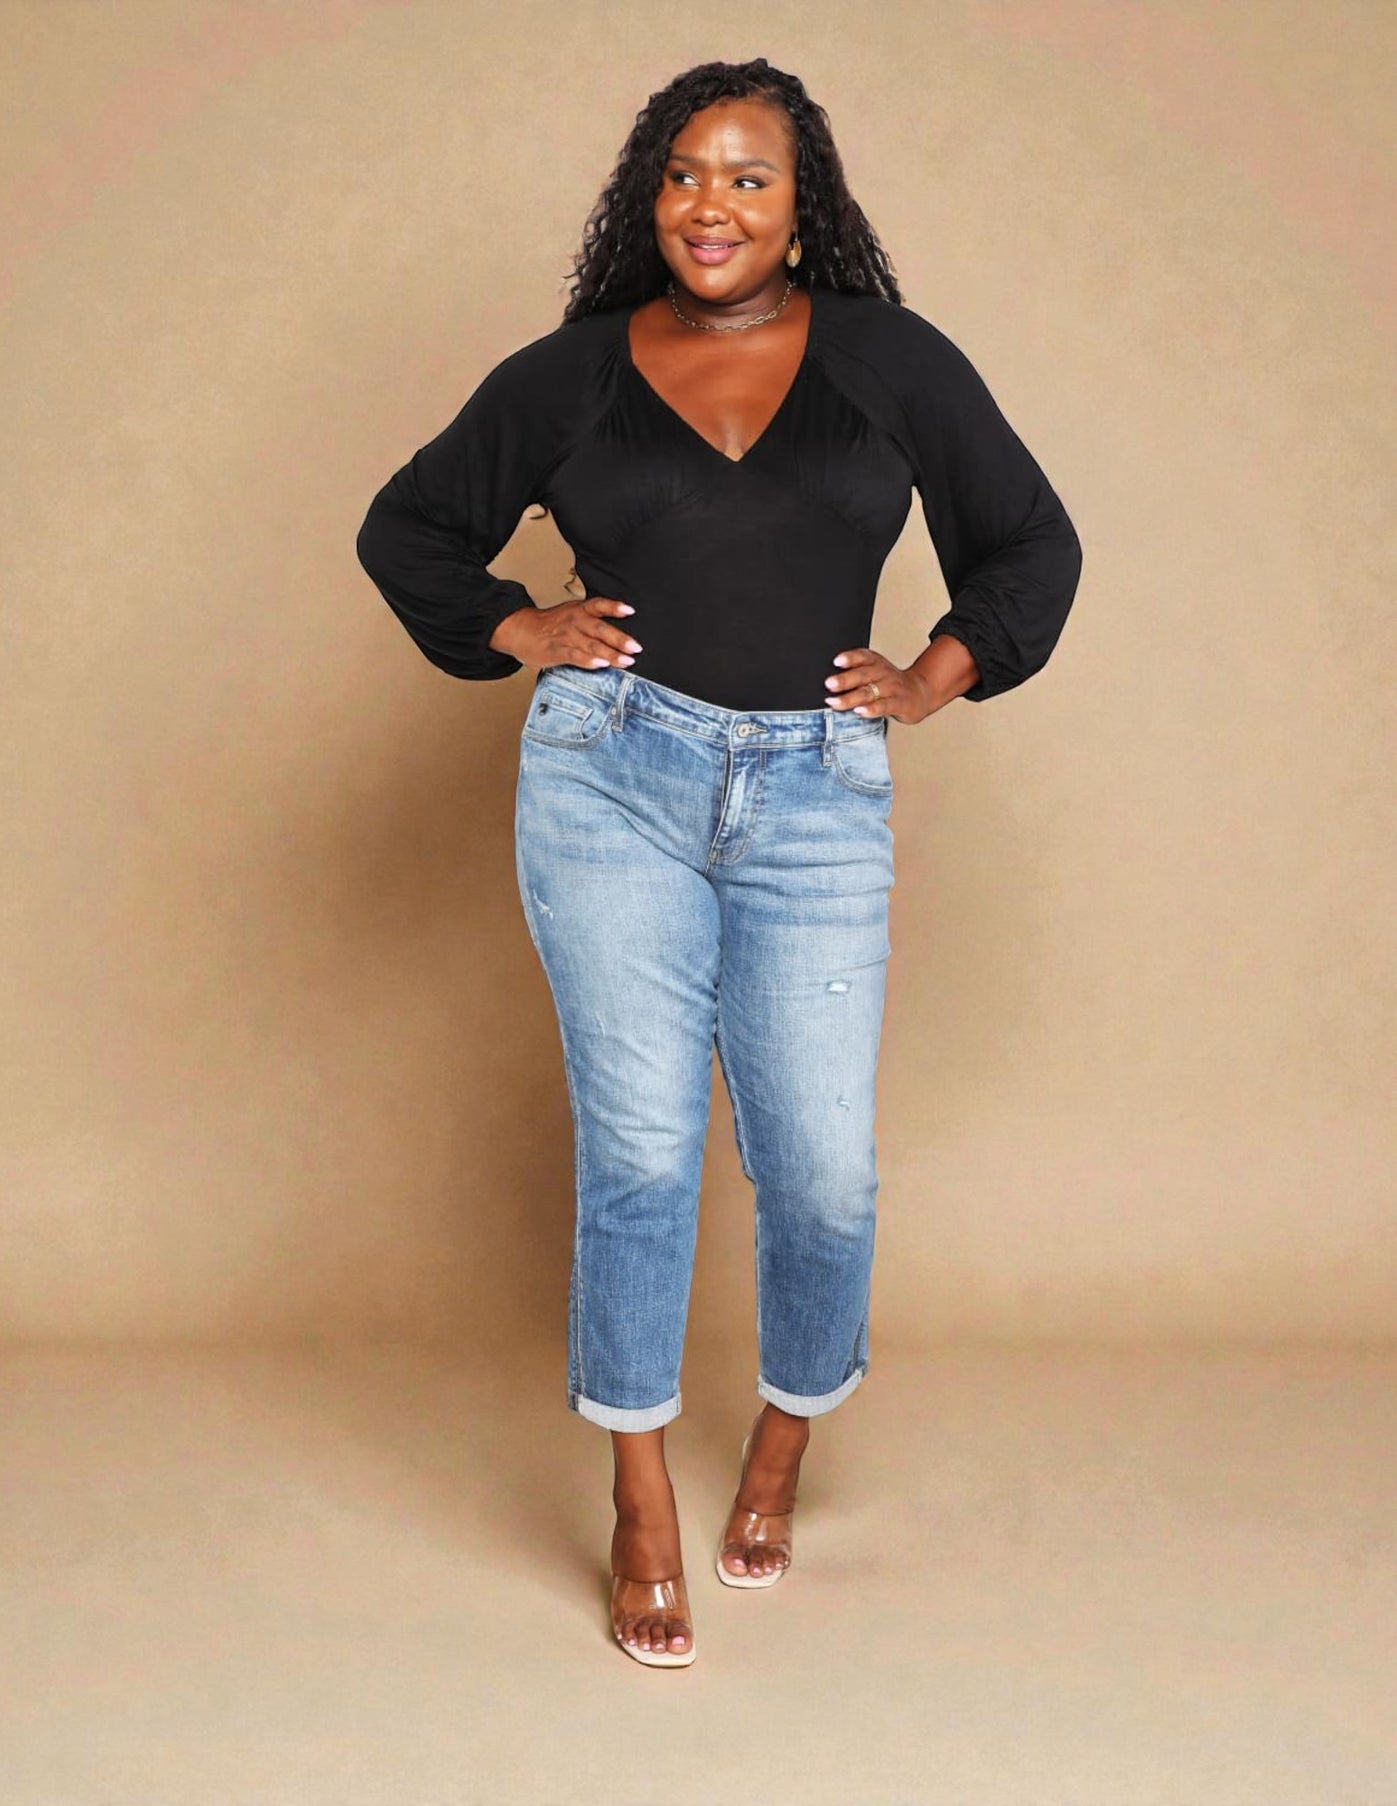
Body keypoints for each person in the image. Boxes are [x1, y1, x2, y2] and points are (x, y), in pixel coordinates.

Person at [355, 56, 1083, 1670]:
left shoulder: (894, 363)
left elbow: (1030, 543)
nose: (712, 204)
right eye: (686, 173)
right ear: (648, 194)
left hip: (817, 795)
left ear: (801, 202)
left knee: (819, 1164)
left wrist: (929, 673)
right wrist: (517, 626)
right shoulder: (570, 375)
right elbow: (408, 528)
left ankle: (778, 1441)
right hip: (613, 777)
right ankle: (636, 1504)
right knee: (640, 1156)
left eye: (749, 177)